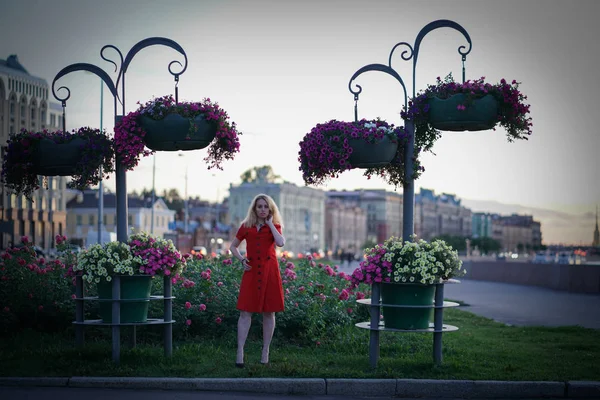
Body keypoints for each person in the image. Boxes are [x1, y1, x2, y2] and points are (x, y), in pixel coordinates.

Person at [229, 194, 286, 368]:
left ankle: (265, 351)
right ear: (254, 209)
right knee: (245, 312)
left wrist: (270, 224)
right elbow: (233, 246)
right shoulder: (246, 226)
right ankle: (240, 351)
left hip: (270, 272)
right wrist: (241, 259)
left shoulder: (274, 226)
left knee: (269, 312)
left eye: (265, 207)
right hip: (252, 272)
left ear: (270, 209)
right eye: (259, 206)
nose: (262, 210)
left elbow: (281, 243)